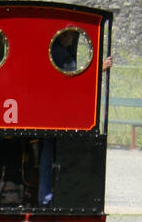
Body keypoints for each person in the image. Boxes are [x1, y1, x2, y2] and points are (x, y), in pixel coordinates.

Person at [39, 33, 112, 206]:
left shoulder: (54, 52)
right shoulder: (61, 55)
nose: (73, 38)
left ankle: (47, 196)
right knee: (56, 155)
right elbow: (72, 80)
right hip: (62, 113)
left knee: (47, 155)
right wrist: (98, 69)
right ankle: (53, 197)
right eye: (72, 33)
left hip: (50, 112)